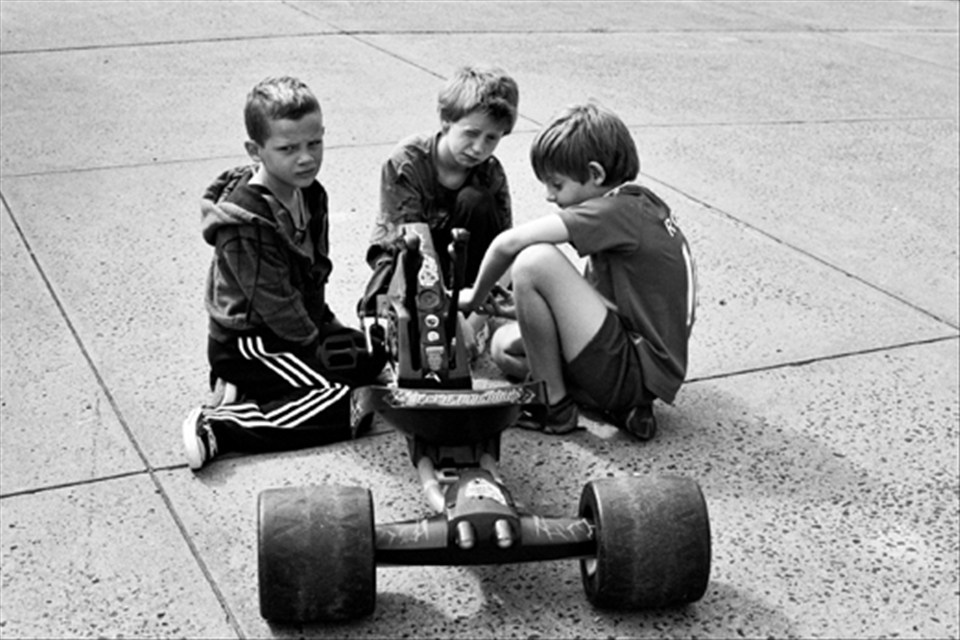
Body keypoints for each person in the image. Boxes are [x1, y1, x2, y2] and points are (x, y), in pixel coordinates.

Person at [459, 102, 697, 440]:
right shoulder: (639, 204)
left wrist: (474, 297)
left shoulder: (616, 212)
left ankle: (553, 407)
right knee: (504, 347)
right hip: (635, 362)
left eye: (556, 184)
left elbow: (507, 244)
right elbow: (612, 303)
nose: (549, 196)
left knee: (533, 260)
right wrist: (523, 307)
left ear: (595, 174)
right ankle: (619, 407)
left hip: (634, 367)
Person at [182, 76, 386, 470]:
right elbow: (274, 304)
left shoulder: (311, 193)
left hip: (297, 323)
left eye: (315, 143)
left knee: (372, 360)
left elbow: (313, 275)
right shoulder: (246, 223)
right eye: (288, 149)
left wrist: (333, 331)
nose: (306, 158)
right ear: (255, 150)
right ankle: (221, 427)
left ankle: (251, 389)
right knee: (345, 404)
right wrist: (318, 350)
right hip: (250, 341)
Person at [363, 65, 519, 353]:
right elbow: (410, 243)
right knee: (383, 324)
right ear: (446, 121)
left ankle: (469, 317)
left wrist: (473, 320)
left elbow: (504, 254)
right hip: (409, 263)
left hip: (465, 278)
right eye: (471, 133)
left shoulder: (490, 172)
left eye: (491, 138)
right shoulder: (407, 162)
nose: (478, 148)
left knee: (475, 200)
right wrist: (448, 315)